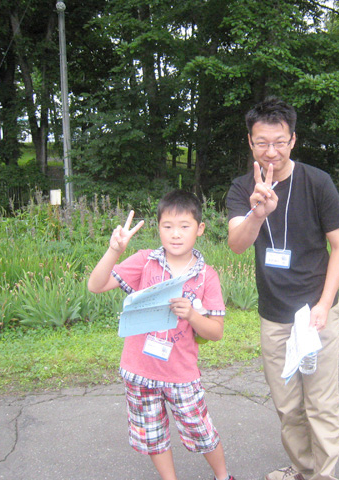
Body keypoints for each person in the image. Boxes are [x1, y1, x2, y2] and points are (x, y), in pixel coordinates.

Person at [226, 97, 339, 480]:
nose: (271, 151)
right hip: (274, 314)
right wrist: (257, 213)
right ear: (250, 142)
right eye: (262, 142)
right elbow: (236, 244)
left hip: (317, 312)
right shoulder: (242, 187)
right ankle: (303, 470)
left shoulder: (317, 182)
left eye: (279, 142)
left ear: (293, 140)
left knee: (321, 403)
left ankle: (324, 476)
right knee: (288, 405)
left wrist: (324, 304)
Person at [88, 190, 235, 480]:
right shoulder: (145, 261)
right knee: (153, 437)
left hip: (181, 374)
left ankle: (223, 476)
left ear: (200, 229)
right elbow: (96, 285)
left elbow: (216, 332)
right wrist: (114, 250)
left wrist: (192, 315)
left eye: (184, 226)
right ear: (158, 228)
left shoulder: (206, 276)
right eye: (168, 226)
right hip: (139, 371)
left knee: (202, 431)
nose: (175, 234)